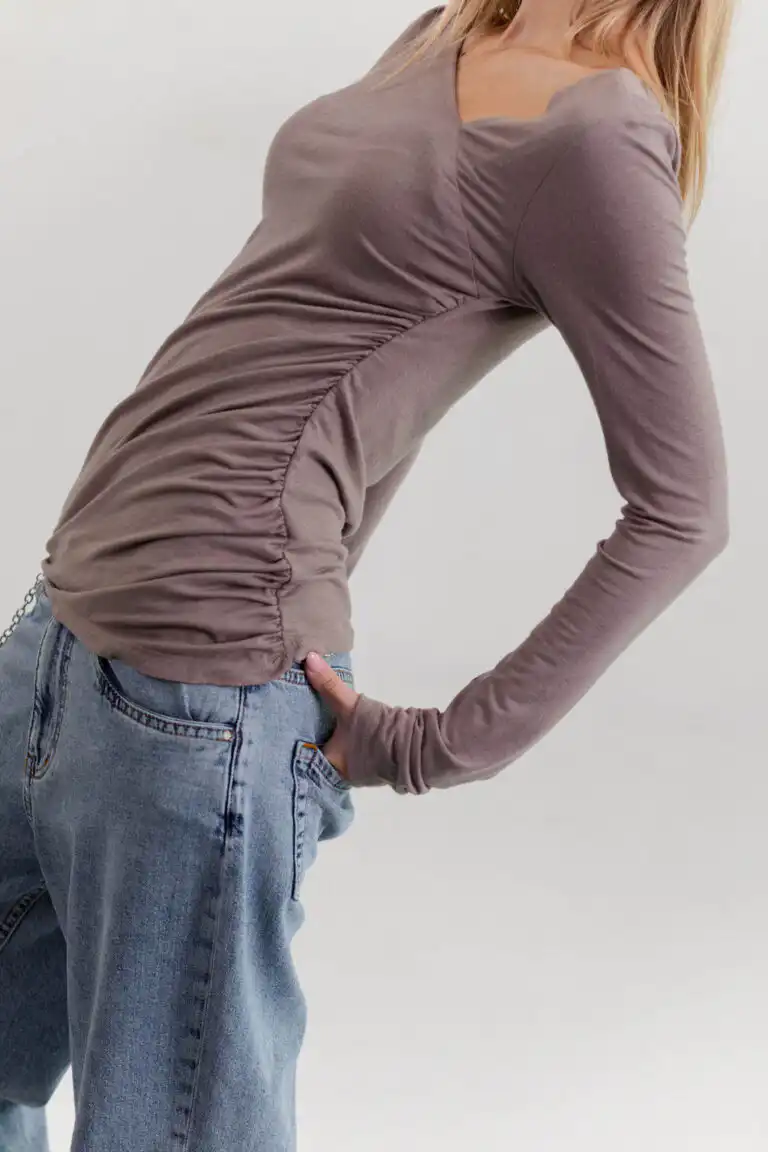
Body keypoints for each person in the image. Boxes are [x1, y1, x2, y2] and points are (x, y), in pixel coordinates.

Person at [0, 0, 733, 1147]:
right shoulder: (451, 30)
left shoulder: (600, 133)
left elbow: (685, 509)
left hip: (196, 696)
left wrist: (444, 743)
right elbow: (378, 366)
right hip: (60, 638)